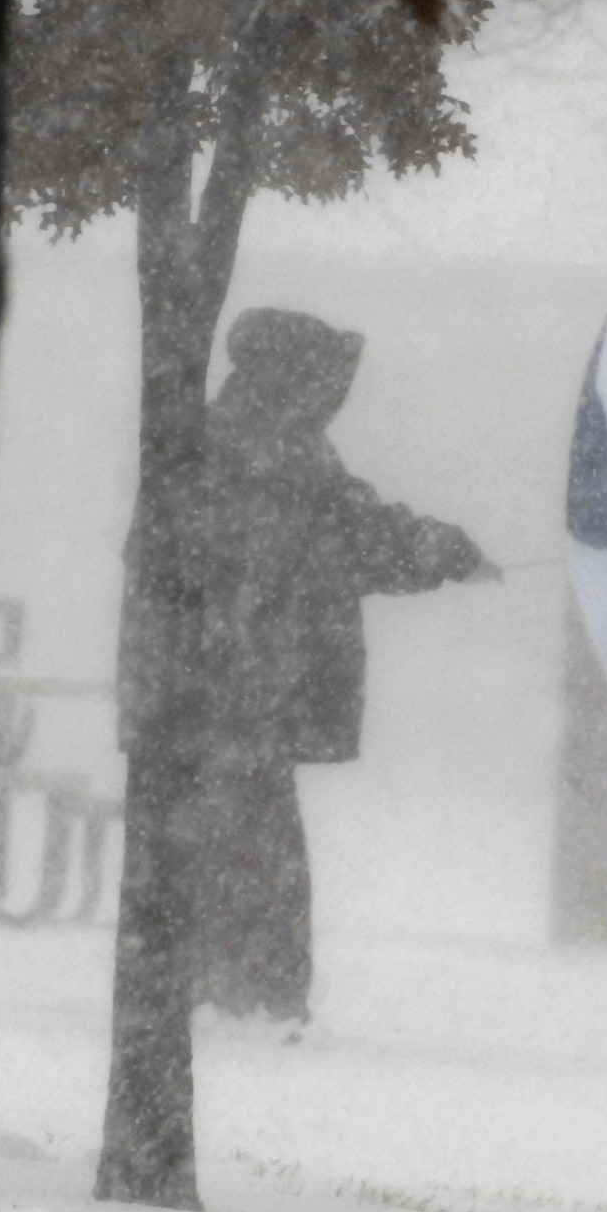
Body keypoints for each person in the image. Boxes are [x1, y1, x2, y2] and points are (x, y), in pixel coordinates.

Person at [180, 307, 497, 1024]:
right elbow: (348, 537)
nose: (332, 396)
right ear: (292, 379)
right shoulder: (266, 449)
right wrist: (446, 553)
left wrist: (446, 552)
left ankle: (240, 988)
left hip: (238, 684)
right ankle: (247, 993)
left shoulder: (259, 439)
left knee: (238, 839)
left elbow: (346, 531)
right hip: (248, 684)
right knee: (252, 845)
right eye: (322, 381)